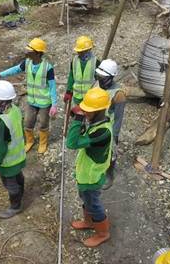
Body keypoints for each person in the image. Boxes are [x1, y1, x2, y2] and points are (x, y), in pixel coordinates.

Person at [0, 38, 57, 153]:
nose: (27, 52)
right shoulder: (27, 63)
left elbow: (52, 86)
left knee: (43, 123)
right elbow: (15, 70)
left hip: (45, 102)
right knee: (28, 122)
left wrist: (54, 104)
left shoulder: (48, 68)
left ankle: (42, 143)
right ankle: (30, 141)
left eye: (30, 50)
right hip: (31, 101)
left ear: (37, 53)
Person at [67, 87, 114, 248]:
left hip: (92, 176)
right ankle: (88, 221)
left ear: (99, 111)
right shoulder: (99, 121)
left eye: (87, 110)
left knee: (94, 204)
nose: (84, 112)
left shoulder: (102, 133)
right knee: (85, 199)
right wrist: (82, 117)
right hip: (85, 173)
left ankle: (103, 233)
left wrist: (78, 119)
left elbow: (72, 143)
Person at [0, 80, 26, 219]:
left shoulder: (2, 122)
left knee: (10, 184)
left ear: (2, 102)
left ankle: (15, 206)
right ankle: (21, 193)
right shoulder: (15, 110)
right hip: (19, 157)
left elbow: (2, 148)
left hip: (8, 162)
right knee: (18, 177)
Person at [95, 59, 126, 187]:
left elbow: (118, 117)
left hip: (110, 128)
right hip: (96, 125)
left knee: (110, 153)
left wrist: (115, 134)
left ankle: (109, 174)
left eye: (103, 78)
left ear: (111, 77)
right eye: (98, 77)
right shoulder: (96, 85)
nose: (100, 80)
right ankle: (97, 172)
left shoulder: (118, 94)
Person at [64, 36, 100, 106]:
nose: (79, 53)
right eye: (78, 51)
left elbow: (99, 81)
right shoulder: (74, 61)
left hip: (90, 97)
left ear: (88, 50)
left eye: (81, 51)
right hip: (77, 97)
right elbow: (71, 76)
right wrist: (68, 91)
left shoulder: (96, 62)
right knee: (76, 115)